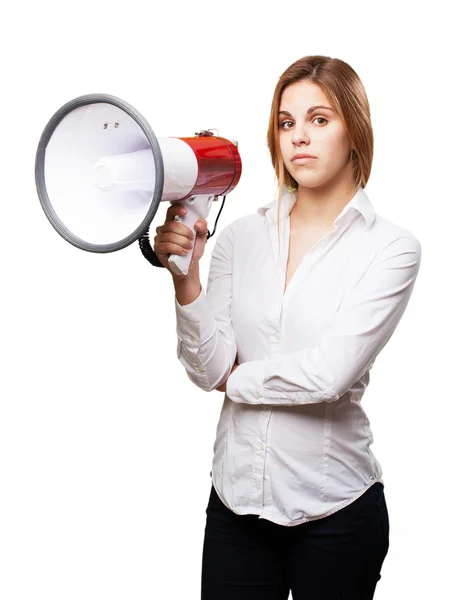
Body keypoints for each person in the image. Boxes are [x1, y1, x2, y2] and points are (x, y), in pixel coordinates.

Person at [153, 55, 421, 600]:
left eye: (320, 119)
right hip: (235, 505)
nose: (299, 136)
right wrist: (186, 278)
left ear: (355, 131)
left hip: (336, 512)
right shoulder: (240, 238)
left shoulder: (392, 249)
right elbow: (206, 370)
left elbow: (328, 376)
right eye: (286, 122)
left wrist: (238, 380)